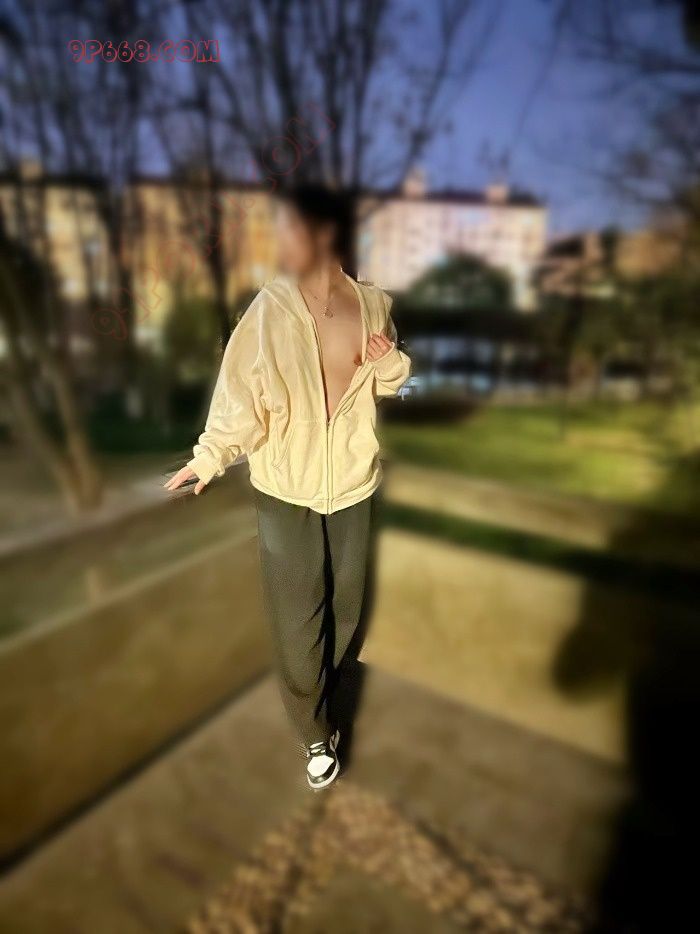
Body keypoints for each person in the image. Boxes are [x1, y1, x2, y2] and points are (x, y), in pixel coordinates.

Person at [165, 185, 411, 788]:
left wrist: (388, 364)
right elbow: (239, 397)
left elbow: (388, 385)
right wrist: (210, 456)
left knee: (347, 606)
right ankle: (313, 731)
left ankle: (331, 690)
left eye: (294, 228)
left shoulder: (374, 304)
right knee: (298, 617)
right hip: (284, 489)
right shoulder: (269, 310)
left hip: (354, 484)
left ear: (326, 232)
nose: (284, 241)